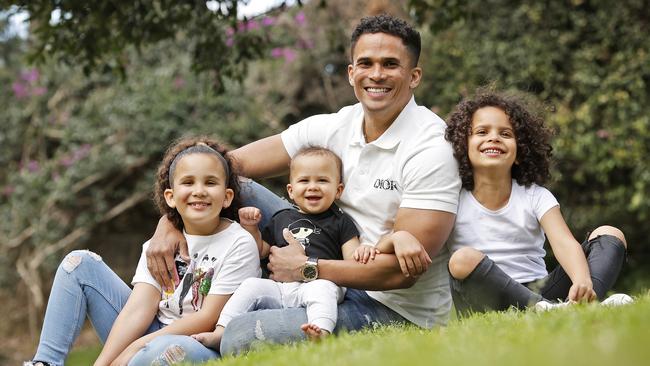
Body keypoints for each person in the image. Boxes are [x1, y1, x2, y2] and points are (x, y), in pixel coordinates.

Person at [145, 14, 461, 357]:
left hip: (390, 307)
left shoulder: (431, 148)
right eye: (366, 63)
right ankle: (195, 305)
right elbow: (224, 165)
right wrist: (170, 220)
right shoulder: (337, 125)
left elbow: (402, 273)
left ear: (414, 76)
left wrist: (307, 269)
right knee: (233, 184)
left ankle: (195, 346)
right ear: (351, 72)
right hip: (315, 263)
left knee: (243, 335)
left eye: (390, 64)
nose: (376, 74)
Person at [24, 137, 261, 366]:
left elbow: (207, 319)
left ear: (227, 196)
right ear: (170, 196)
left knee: (168, 352)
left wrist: (135, 348)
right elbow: (138, 309)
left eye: (210, 183)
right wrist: (104, 362)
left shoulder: (238, 243)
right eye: (188, 183)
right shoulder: (160, 245)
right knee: (78, 264)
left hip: (200, 344)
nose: (199, 191)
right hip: (151, 334)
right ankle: (45, 363)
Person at [443, 91, 630, 316]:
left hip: (543, 293)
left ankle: (585, 303)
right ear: (463, 146)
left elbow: (564, 244)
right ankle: (543, 310)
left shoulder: (535, 195)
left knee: (610, 233)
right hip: (485, 299)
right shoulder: (451, 197)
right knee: (462, 259)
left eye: (505, 133)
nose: (494, 138)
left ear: (520, 151)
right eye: (482, 132)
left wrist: (582, 280)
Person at [192, 147, 364, 351]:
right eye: (304, 181)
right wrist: (251, 228)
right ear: (291, 190)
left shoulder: (341, 222)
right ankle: (220, 332)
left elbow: (352, 262)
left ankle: (321, 331)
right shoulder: (281, 218)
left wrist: (363, 251)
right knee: (250, 285)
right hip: (282, 288)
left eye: (322, 181)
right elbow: (262, 251)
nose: (313, 187)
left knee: (322, 290)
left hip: (320, 282)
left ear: (338, 190)